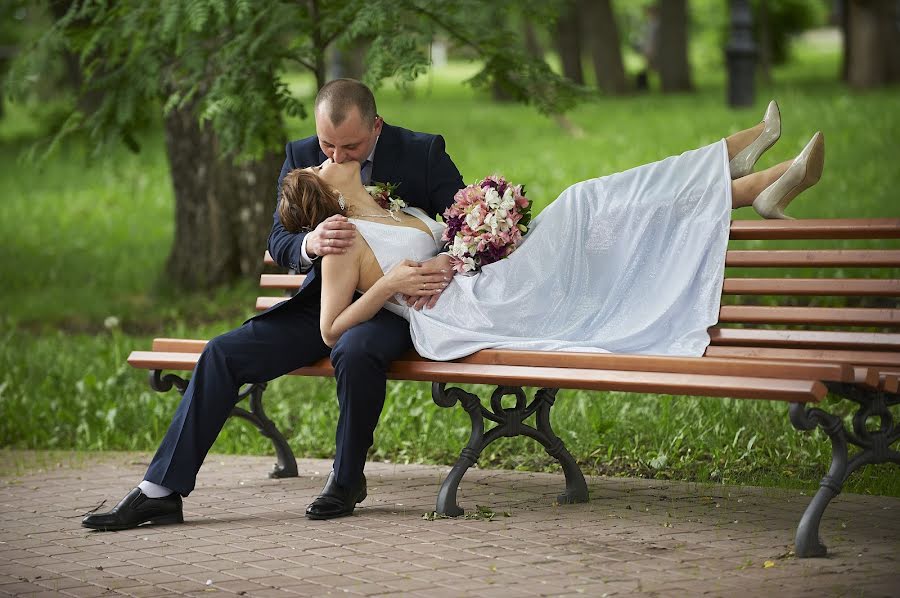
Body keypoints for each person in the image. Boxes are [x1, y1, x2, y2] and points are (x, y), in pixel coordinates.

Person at [82, 79, 464, 531]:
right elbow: (279, 239)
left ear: (376, 126)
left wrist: (444, 255)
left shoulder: (420, 152)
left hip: (397, 308)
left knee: (354, 349)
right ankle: (159, 492)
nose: (336, 157)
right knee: (222, 352)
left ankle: (346, 479)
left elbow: (462, 217)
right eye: (327, 144)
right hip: (323, 300)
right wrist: (310, 243)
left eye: (351, 147)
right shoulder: (301, 155)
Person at [277, 101, 824, 361]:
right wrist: (390, 284)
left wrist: (474, 233)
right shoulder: (342, 239)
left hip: (481, 282)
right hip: (471, 309)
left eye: (339, 148)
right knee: (589, 203)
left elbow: (445, 239)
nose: (330, 156)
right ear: (326, 191)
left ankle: (745, 171)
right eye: (323, 160)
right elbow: (330, 330)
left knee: (595, 203)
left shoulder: (382, 202)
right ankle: (749, 178)